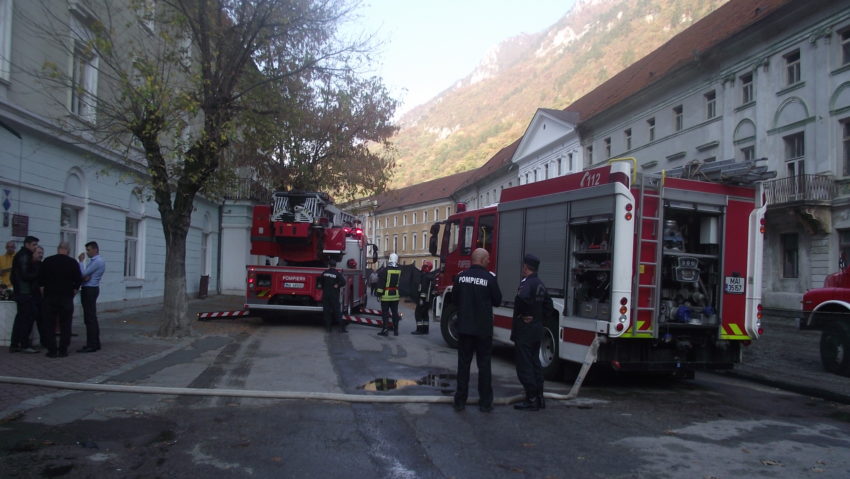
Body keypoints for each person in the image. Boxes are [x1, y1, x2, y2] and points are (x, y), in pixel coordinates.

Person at [452, 248, 502, 413]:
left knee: (463, 366)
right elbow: (497, 301)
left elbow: (455, 299)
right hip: (483, 331)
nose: (489, 261)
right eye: (488, 259)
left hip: (465, 329)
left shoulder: (460, 278)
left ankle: (460, 401)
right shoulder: (490, 278)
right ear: (482, 260)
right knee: (484, 365)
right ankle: (485, 402)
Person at [511, 254, 548, 411]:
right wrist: (538, 318)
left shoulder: (526, 283)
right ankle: (540, 397)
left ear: (526, 267)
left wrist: (524, 315)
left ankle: (531, 399)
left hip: (525, 330)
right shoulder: (540, 283)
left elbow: (521, 300)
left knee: (524, 365)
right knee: (535, 363)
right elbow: (549, 306)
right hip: (537, 329)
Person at [39, 242, 82, 358]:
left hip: (50, 297)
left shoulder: (48, 261)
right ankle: (63, 349)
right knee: (65, 324)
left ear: (58, 249)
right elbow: (78, 280)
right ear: (68, 250)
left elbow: (41, 280)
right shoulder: (72, 263)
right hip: (66, 297)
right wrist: (73, 291)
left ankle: (52, 349)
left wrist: (44, 292)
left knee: (49, 324)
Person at [9, 236, 40, 353]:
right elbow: (25, 275)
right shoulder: (24, 256)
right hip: (24, 292)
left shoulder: (23, 255)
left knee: (21, 318)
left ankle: (16, 343)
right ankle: (24, 344)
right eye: (34, 245)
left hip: (22, 291)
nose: (35, 247)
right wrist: (37, 272)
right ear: (27, 244)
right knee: (26, 318)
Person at [77, 241, 105, 353]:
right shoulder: (95, 261)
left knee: (90, 318)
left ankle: (92, 344)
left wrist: (80, 262)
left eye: (88, 250)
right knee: (90, 317)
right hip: (90, 288)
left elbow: (83, 274)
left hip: (90, 289)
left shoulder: (97, 261)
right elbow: (85, 276)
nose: (87, 252)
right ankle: (94, 343)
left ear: (95, 250)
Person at [318, 258, 347, 333]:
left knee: (326, 312)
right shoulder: (337, 273)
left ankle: (328, 328)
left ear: (329, 265)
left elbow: (320, 283)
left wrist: (324, 287)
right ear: (335, 265)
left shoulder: (324, 273)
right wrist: (338, 284)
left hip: (326, 295)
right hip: (334, 295)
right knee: (337, 311)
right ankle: (341, 328)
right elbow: (344, 282)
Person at [376, 253, 402, 336]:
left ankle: (385, 330)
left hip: (386, 296)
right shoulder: (399, 270)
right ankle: (396, 331)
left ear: (389, 259)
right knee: (395, 313)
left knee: (385, 314)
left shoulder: (385, 270)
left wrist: (378, 294)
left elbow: (381, 283)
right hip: (395, 295)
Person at [412, 260, 435, 335]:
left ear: (428, 267)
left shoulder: (425, 277)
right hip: (428, 300)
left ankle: (419, 329)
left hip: (423, 299)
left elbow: (424, 288)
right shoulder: (431, 276)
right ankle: (425, 329)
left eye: (424, 266)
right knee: (425, 314)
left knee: (418, 313)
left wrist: (421, 299)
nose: (423, 267)